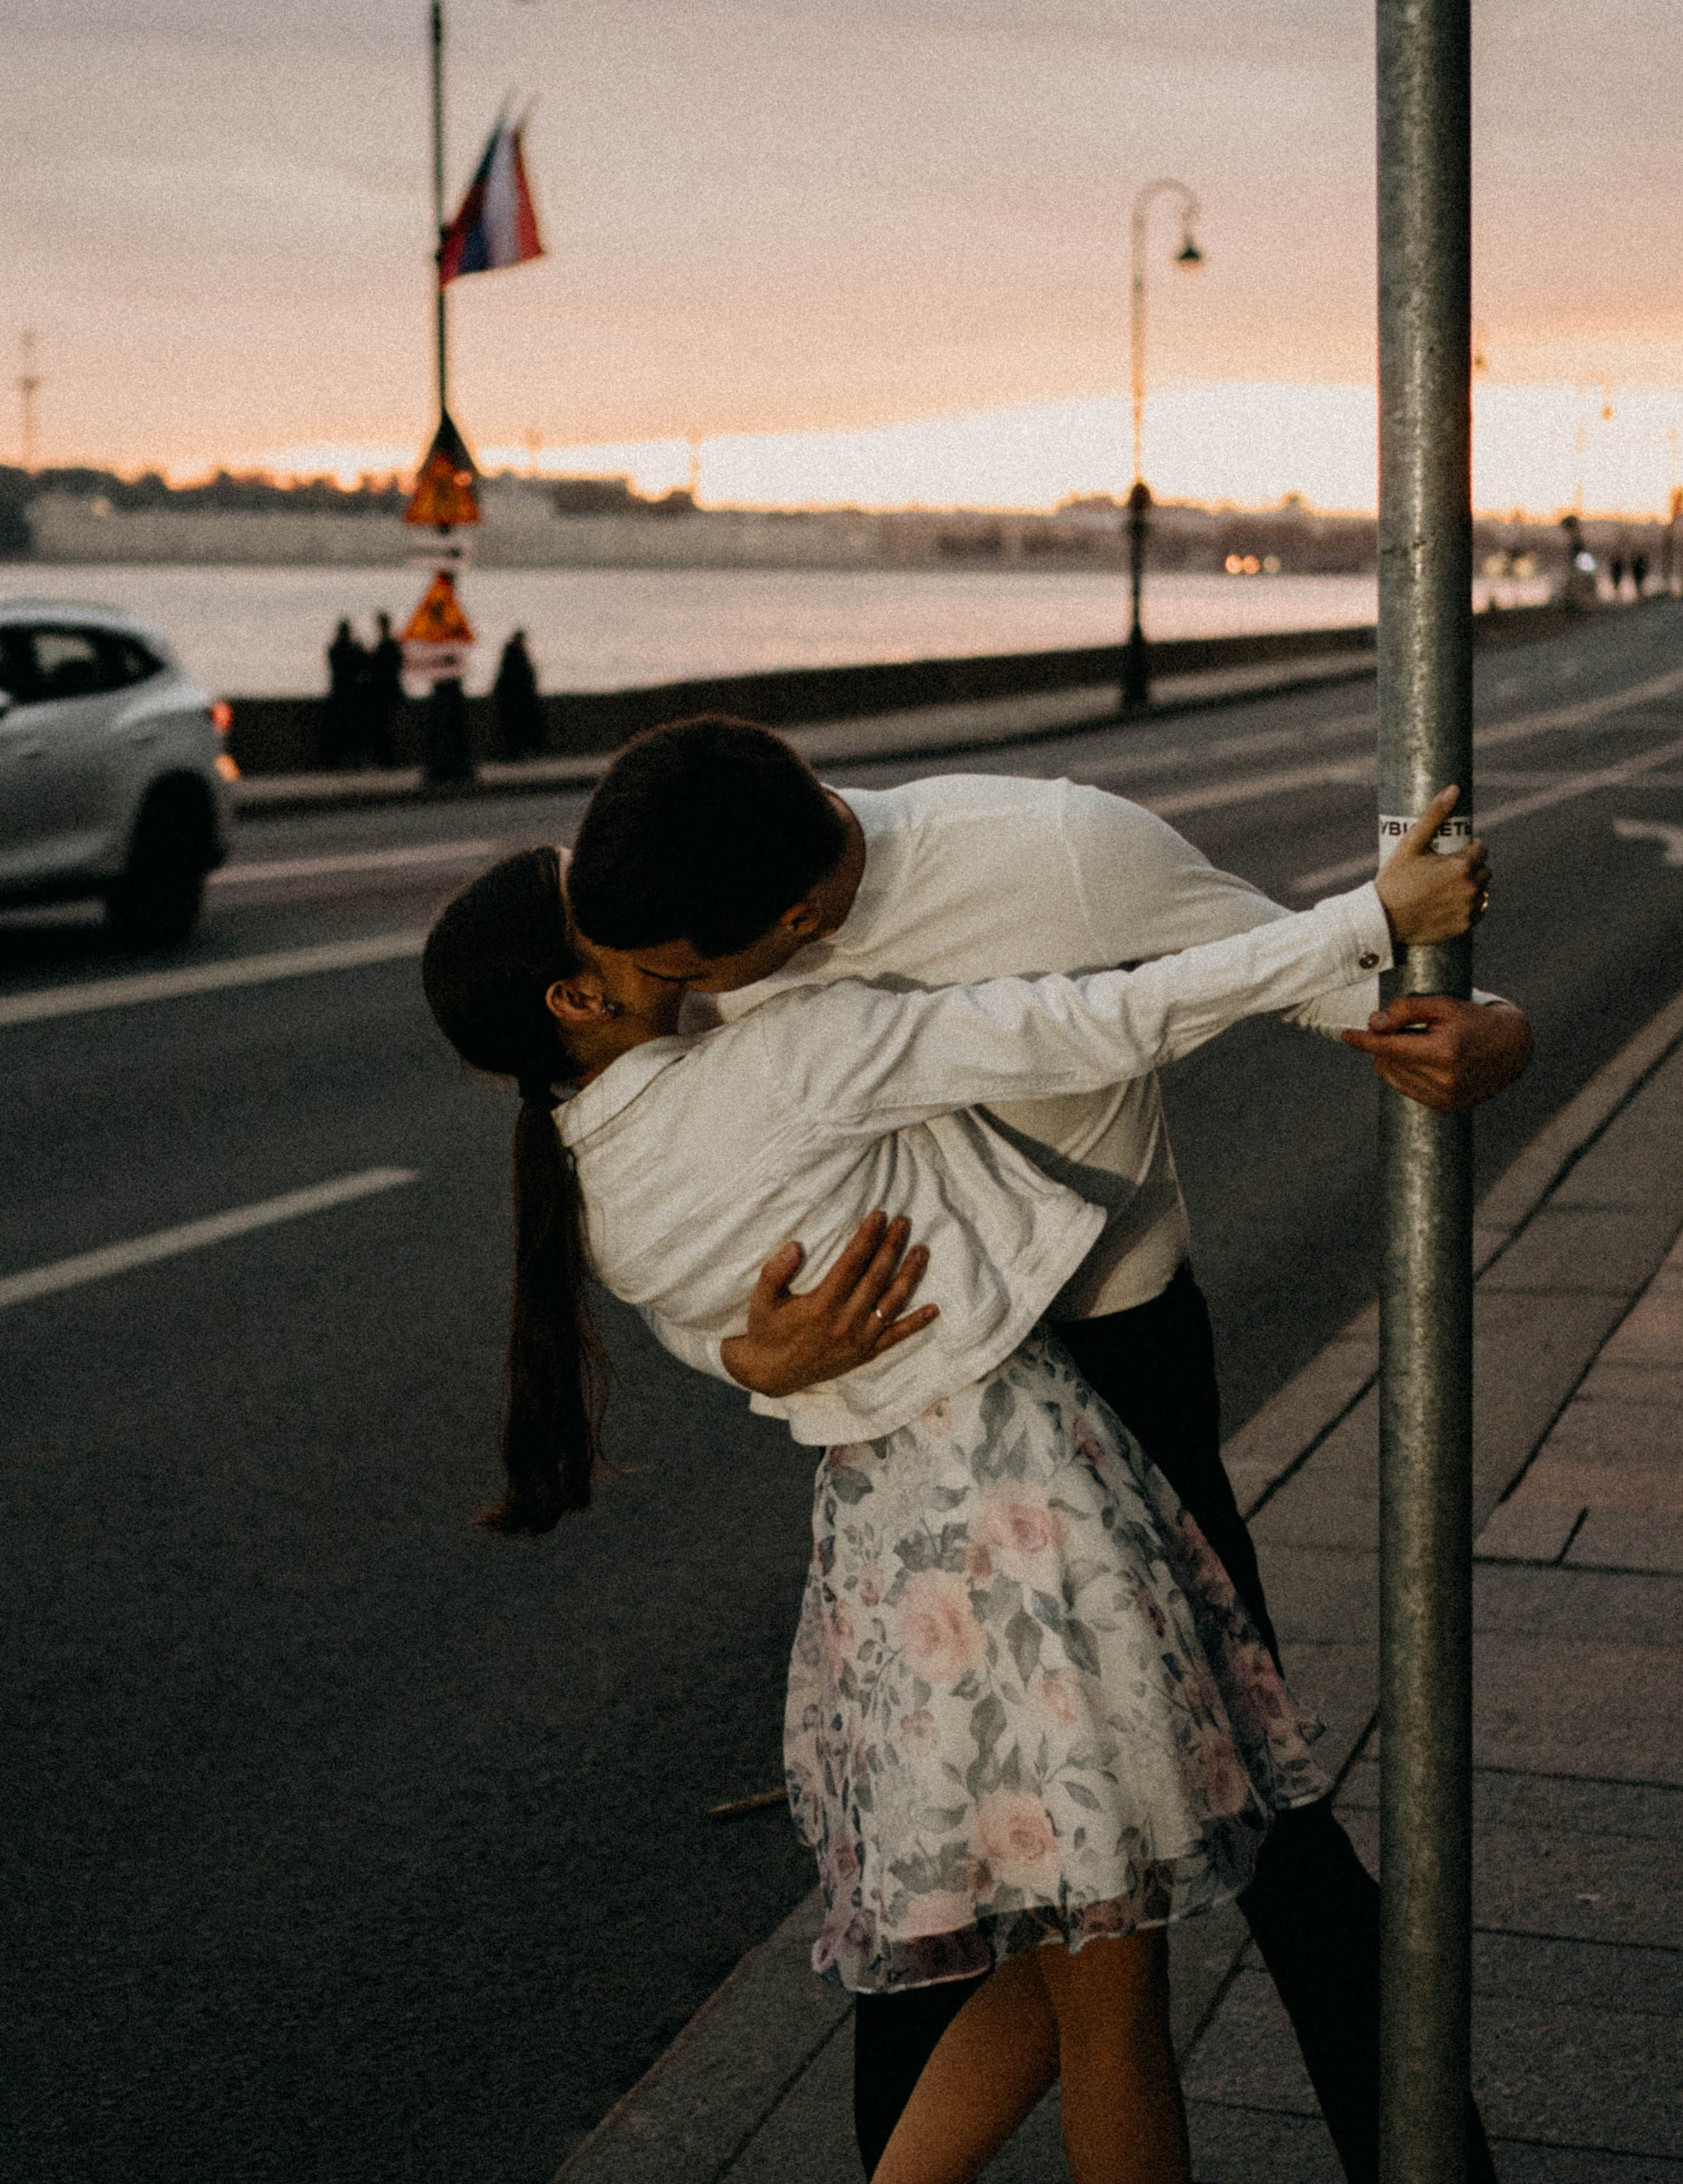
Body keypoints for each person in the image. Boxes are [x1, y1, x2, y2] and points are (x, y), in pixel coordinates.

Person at [422, 801, 1486, 2184]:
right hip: (1027, 1524)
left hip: (890, 1557)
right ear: (578, 995)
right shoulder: (785, 1058)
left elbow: (703, 1313)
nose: (633, 908)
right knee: (1113, 2006)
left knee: (1033, 1978)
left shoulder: (591, 1180)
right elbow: (1099, 1023)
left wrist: (746, 1358)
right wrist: (1372, 918)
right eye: (596, 909)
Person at [323, 617, 369, 770]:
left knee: (340, 730)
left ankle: (339, 761)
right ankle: (354, 760)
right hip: (352, 695)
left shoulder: (335, 650)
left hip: (340, 694)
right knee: (353, 730)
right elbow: (363, 665)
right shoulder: (353, 650)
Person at [493, 628, 546, 761]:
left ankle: (518, 751)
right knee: (517, 727)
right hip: (516, 699)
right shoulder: (515, 656)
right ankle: (518, 752)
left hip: (515, 698)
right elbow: (519, 678)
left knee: (516, 727)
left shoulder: (512, 655)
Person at [367, 611, 406, 769]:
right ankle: (388, 758)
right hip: (389, 690)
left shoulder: (386, 645)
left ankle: (387, 759)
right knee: (387, 726)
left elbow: (379, 666)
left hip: (384, 691)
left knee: (384, 726)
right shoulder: (392, 644)